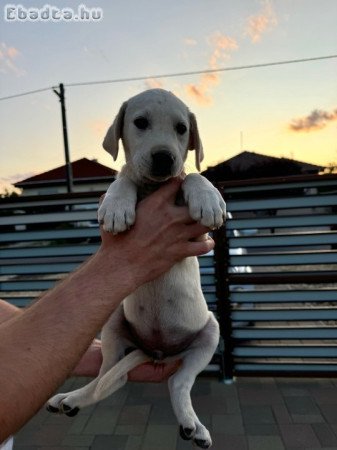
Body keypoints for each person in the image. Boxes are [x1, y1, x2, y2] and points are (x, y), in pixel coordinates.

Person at [0, 178, 214, 443]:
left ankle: (173, 390)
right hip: (135, 329)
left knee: (210, 330)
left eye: (182, 132)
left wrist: (79, 352)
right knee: (116, 316)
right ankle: (102, 384)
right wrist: (119, 262)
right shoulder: (125, 184)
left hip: (189, 333)